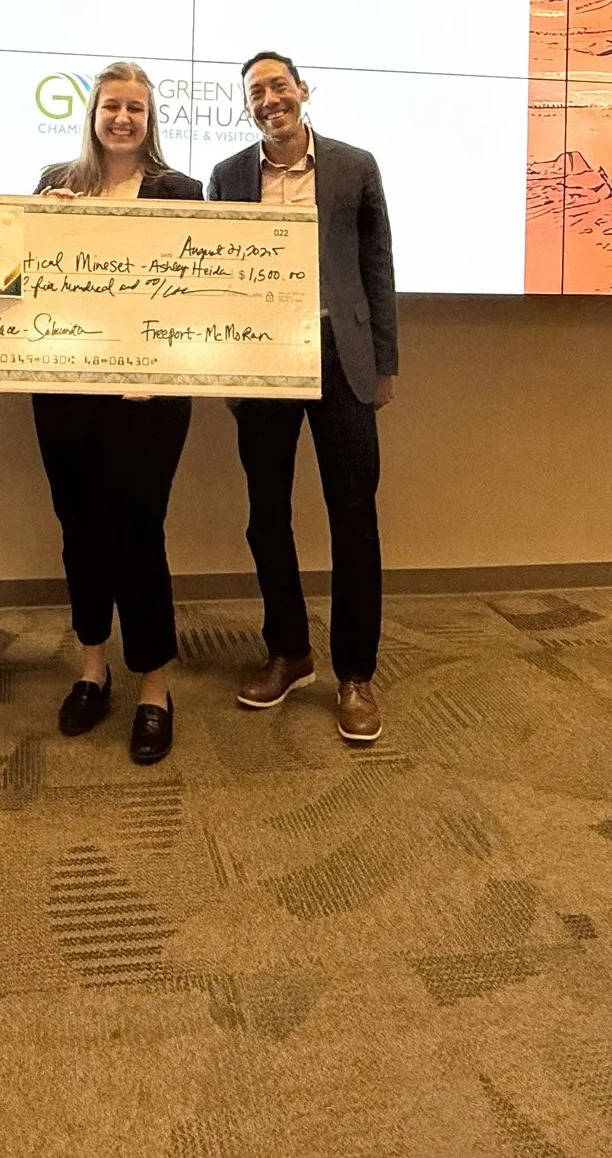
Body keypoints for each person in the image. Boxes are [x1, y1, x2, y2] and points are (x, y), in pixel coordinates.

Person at [207, 51, 398, 745]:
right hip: (261, 359)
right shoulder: (227, 177)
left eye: (278, 86)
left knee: (355, 518)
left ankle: (355, 674)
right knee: (266, 515)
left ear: (302, 91)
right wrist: (226, 369)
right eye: (256, 92)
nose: (269, 100)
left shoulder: (354, 165)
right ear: (248, 105)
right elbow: (215, 275)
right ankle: (289, 651)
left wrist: (384, 363)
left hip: (339, 357)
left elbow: (379, 266)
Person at [32, 63, 203, 766]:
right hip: (66, 388)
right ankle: (92, 666)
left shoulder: (182, 191)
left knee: (136, 530)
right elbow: (25, 279)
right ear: (92, 113)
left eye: (135, 106)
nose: (123, 118)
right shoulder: (54, 181)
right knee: (78, 529)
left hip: (150, 395)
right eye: (112, 105)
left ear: (150, 116)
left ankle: (155, 685)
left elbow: (202, 292)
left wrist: (159, 362)